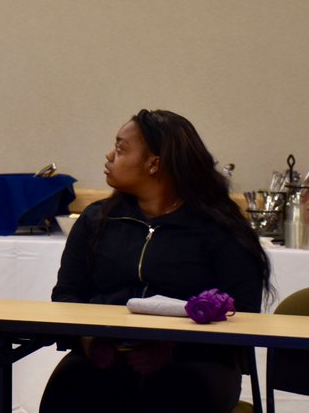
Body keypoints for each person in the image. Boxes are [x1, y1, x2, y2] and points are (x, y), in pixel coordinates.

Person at [40, 109, 271, 413]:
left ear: (154, 164)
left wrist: (172, 351)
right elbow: (67, 296)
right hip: (103, 355)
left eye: (121, 149)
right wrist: (89, 342)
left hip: (196, 362)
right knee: (69, 393)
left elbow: (243, 314)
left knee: (168, 399)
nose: (109, 155)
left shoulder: (221, 229)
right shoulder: (96, 220)